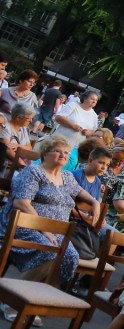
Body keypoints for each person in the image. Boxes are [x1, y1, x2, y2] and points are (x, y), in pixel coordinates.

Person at [0, 135, 103, 315]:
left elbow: (80, 192)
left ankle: (36, 299)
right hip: (26, 225)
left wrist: (95, 202)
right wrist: (45, 229)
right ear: (45, 153)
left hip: (56, 231)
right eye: (58, 151)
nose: (64, 155)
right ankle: (12, 299)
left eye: (67, 153)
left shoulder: (66, 176)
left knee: (70, 256)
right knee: (50, 251)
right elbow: (21, 203)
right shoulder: (34, 172)